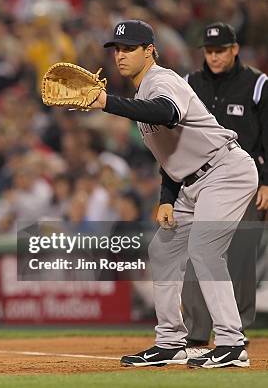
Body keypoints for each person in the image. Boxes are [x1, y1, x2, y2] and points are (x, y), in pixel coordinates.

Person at [90, 20, 256, 368]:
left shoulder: (162, 80)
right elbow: (170, 153)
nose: (119, 55)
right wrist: (167, 198)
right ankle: (169, 342)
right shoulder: (141, 92)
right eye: (116, 49)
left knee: (205, 250)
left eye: (128, 48)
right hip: (191, 183)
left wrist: (107, 102)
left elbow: (165, 113)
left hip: (225, 170)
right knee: (162, 252)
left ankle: (231, 342)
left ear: (150, 51)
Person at [181, 22, 268, 348]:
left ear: (234, 49)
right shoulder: (189, 83)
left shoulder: (257, 84)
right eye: (209, 51)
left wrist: (267, 183)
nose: (214, 56)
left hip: (247, 182)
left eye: (220, 50)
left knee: (241, 257)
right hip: (199, 182)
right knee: (197, 254)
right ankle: (197, 330)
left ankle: (237, 328)